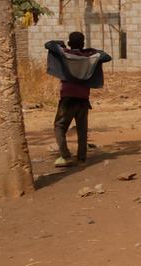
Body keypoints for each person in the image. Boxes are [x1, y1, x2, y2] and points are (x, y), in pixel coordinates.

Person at [44, 32, 112, 167]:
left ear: (69, 43)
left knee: (59, 127)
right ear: (83, 43)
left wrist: (61, 44)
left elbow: (48, 44)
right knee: (82, 130)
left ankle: (66, 155)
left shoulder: (65, 54)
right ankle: (81, 158)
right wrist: (90, 51)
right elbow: (106, 56)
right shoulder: (90, 57)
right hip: (83, 99)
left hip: (68, 99)